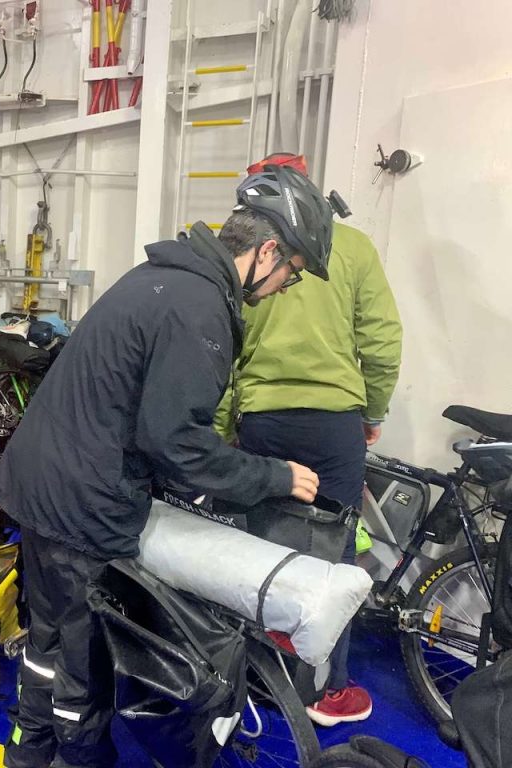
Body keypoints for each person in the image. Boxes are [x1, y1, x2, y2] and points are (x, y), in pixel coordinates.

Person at [0, 165, 340, 768]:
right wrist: (273, 477)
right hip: (83, 505)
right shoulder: (200, 308)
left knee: (45, 637)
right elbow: (175, 444)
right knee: (83, 663)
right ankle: (81, 759)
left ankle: (27, 750)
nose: (288, 285)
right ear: (267, 251)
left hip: (39, 483)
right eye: (293, 270)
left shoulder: (160, 276)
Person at [215, 153, 402, 727]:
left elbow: (227, 352)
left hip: (264, 418)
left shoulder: (245, 253)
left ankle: (249, 671)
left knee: (255, 546)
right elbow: (381, 338)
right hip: (333, 424)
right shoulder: (353, 247)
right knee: (335, 556)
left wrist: (222, 431)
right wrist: (372, 411)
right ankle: (326, 691)